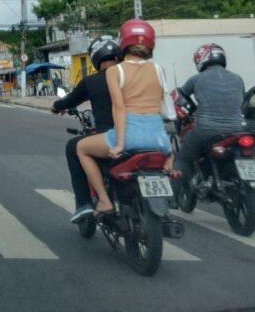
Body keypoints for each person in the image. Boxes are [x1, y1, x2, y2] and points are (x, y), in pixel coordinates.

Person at [76, 18, 171, 216]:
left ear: (123, 42)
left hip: (130, 134)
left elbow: (119, 108)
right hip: (159, 139)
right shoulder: (159, 69)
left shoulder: (115, 71)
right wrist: (170, 152)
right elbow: (166, 108)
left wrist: (119, 144)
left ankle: (103, 200)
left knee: (81, 148)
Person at [52, 34, 122, 223]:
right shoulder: (132, 76)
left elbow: (69, 100)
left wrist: (56, 106)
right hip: (144, 136)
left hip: (110, 136)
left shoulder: (91, 81)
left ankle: (84, 203)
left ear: (96, 59)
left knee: (73, 147)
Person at [172, 43, 246, 197]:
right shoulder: (238, 79)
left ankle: (172, 198)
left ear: (201, 60)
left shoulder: (196, 79)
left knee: (183, 159)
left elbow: (179, 98)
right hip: (237, 129)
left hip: (206, 129)